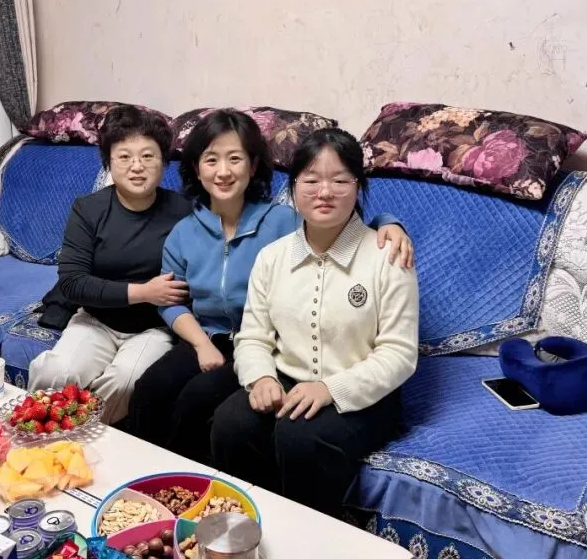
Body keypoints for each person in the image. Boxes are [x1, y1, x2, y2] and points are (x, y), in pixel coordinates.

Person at [125, 110, 413, 463]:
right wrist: (204, 346)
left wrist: (390, 223)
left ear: (253, 165)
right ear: (196, 168)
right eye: (211, 160)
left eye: (235, 159)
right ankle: (147, 473)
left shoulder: (283, 220)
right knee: (151, 389)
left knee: (199, 400)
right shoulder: (186, 230)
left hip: (262, 347)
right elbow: (172, 300)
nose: (223, 171)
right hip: (212, 337)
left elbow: (339, 223)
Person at [210, 127, 419, 519]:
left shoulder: (389, 257)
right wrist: (261, 378)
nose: (325, 192)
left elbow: (399, 354)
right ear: (293, 188)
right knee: (230, 424)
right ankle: (244, 530)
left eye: (340, 180)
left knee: (300, 436)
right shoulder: (272, 257)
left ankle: (311, 540)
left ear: (358, 186)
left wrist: (329, 389)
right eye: (311, 180)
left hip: (363, 396)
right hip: (287, 381)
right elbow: (252, 335)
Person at [26, 106, 190, 425]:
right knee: (55, 373)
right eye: (124, 157)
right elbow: (72, 282)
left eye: (148, 156)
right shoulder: (89, 209)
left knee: (127, 380)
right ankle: (43, 437)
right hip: (96, 320)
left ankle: (81, 439)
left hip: (154, 327)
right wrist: (143, 292)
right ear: (109, 162)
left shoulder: (183, 212)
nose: (137, 166)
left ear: (163, 162)